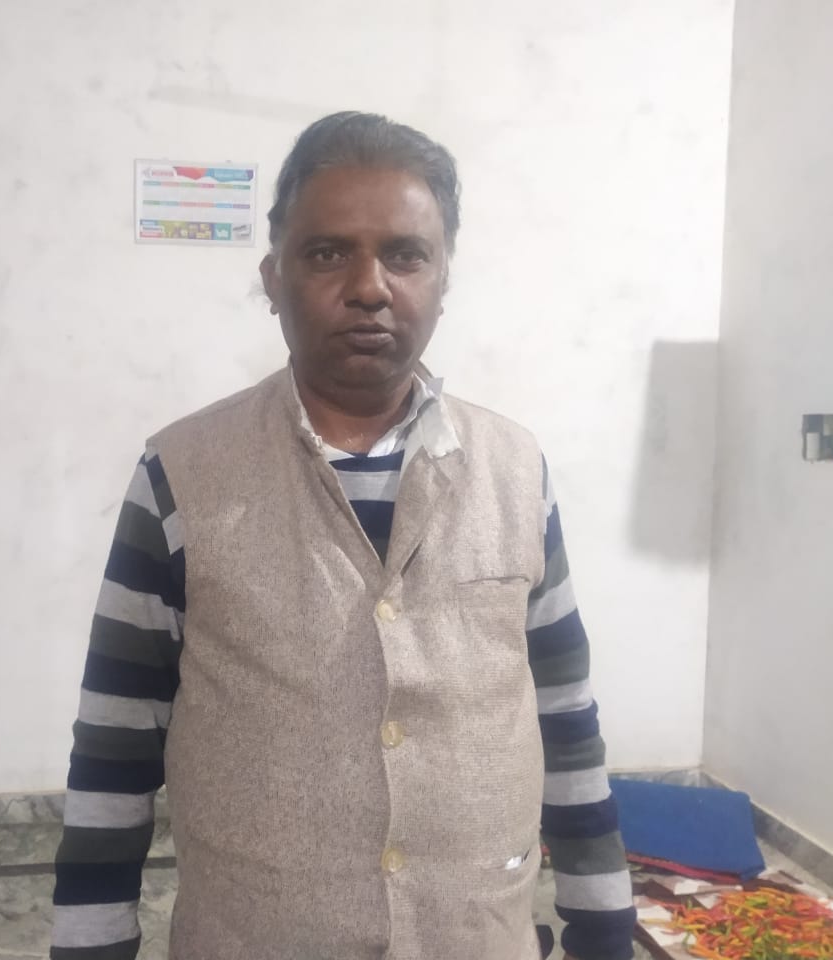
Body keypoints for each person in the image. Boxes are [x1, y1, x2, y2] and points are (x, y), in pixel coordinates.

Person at [50, 112, 636, 960]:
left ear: (443, 278)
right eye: (328, 253)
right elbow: (116, 743)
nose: (370, 286)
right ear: (273, 276)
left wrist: (605, 932)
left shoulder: (516, 469)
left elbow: (567, 717)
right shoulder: (181, 473)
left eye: (406, 255)